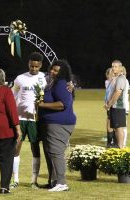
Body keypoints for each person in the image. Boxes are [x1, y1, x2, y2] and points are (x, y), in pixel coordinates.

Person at [38, 59, 76, 192]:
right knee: (50, 153)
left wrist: (42, 105)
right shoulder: (52, 82)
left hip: (60, 122)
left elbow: (62, 104)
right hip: (51, 122)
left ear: (63, 73)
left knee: (56, 152)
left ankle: (61, 183)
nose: (53, 72)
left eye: (56, 71)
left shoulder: (61, 83)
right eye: (52, 69)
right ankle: (53, 181)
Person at [10, 52, 47, 189]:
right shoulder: (20, 78)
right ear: (28, 64)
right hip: (20, 119)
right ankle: (15, 179)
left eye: (36, 66)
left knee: (35, 148)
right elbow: (11, 95)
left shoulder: (45, 78)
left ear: (41, 65)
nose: (34, 69)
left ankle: (33, 181)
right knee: (16, 148)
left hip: (35, 119)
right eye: (31, 66)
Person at [104, 60, 127, 148]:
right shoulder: (115, 78)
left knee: (119, 128)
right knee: (115, 128)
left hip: (118, 107)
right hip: (113, 107)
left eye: (116, 66)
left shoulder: (121, 78)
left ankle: (121, 147)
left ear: (120, 68)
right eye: (112, 66)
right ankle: (117, 145)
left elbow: (117, 93)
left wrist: (109, 104)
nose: (113, 68)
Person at [104, 68, 116, 147]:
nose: (111, 75)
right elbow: (107, 93)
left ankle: (114, 141)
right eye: (109, 74)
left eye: (112, 73)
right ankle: (109, 142)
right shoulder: (107, 82)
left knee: (114, 123)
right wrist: (106, 103)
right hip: (109, 103)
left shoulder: (116, 81)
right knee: (109, 123)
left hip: (114, 104)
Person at [121, 66, 130, 147]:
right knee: (119, 126)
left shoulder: (123, 80)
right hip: (122, 106)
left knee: (123, 126)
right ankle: (120, 142)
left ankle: (123, 143)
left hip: (123, 106)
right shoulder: (123, 80)